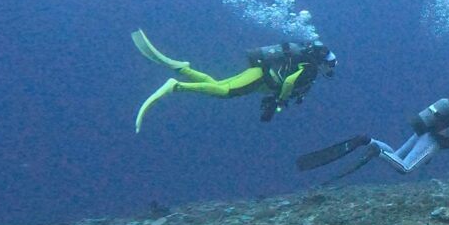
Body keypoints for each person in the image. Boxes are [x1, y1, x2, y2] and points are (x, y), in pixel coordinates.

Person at [131, 29, 336, 133]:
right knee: (225, 92)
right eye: (330, 66)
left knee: (218, 84)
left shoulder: (306, 63)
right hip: (261, 77)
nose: (329, 70)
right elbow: (290, 81)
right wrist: (281, 100)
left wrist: (276, 99)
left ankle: (182, 68)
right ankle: (176, 86)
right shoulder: (310, 69)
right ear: (323, 62)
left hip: (260, 73)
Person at [296, 90, 449, 177]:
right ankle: (376, 150)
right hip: (433, 140)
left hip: (424, 131)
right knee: (405, 168)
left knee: (396, 155)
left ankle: (368, 141)